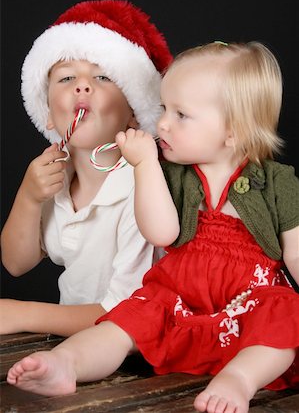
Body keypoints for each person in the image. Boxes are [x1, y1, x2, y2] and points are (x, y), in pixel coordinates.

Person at [6, 42, 299, 413]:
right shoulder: (172, 174)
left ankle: (239, 380)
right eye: (163, 109)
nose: (161, 123)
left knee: (281, 324)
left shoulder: (276, 182)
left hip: (249, 297)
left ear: (233, 131)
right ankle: (67, 363)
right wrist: (144, 165)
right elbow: (161, 233)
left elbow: (295, 250)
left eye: (181, 114)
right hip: (178, 295)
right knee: (125, 321)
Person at [0, 0, 172, 337]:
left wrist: (19, 314)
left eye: (103, 76)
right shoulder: (54, 178)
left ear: (134, 111)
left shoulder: (143, 185)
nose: (82, 85)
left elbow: (129, 312)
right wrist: (29, 197)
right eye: (65, 78)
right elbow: (16, 263)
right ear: (47, 111)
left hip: (136, 344)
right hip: (78, 344)